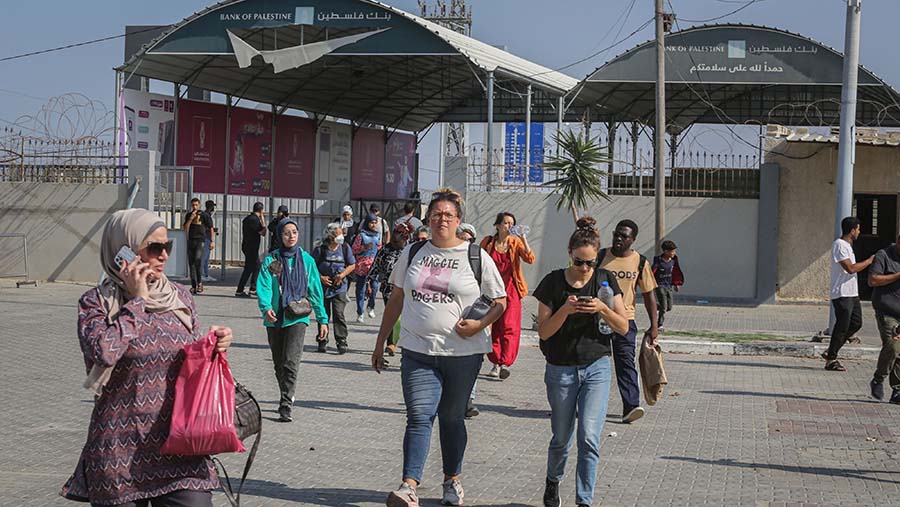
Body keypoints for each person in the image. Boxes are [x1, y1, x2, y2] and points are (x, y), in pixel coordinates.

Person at [62, 208, 233, 507]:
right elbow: (104, 351)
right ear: (122, 250)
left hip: (180, 447)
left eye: (167, 246)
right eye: (154, 248)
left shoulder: (180, 297)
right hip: (120, 455)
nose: (164, 255)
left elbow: (187, 363)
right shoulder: (95, 303)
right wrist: (137, 302)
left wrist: (215, 344)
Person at [371, 189, 507, 507]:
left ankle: (451, 480)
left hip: (463, 354)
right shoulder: (415, 251)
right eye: (436, 214)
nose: (442, 219)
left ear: (458, 220)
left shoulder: (476, 256)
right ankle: (409, 486)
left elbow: (500, 301)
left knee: (451, 417)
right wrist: (380, 342)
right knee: (419, 416)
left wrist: (478, 324)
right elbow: (396, 298)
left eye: (448, 215)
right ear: (428, 218)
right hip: (417, 351)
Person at [533, 216, 628, 507]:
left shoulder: (605, 281)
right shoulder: (552, 282)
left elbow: (623, 327)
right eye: (579, 262)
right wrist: (565, 309)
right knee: (562, 437)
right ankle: (553, 481)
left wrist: (601, 307)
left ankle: (584, 500)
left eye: (590, 263)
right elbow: (545, 332)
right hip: (561, 368)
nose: (585, 269)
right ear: (569, 254)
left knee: (589, 436)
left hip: (596, 366)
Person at [257, 218, 329, 422]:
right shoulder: (271, 260)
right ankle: (286, 392)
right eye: (287, 232)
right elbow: (263, 286)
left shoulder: (307, 261)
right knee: (279, 363)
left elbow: (315, 290)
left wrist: (322, 319)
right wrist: (266, 308)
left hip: (298, 317)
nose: (291, 236)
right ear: (280, 235)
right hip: (275, 318)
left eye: (294, 232)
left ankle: (285, 403)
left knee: (290, 361)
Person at [599, 219, 658, 424]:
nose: (619, 239)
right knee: (592, 362)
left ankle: (631, 407)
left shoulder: (640, 262)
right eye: (617, 234)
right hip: (598, 319)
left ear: (632, 240)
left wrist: (654, 325)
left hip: (625, 320)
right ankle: (585, 405)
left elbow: (649, 295)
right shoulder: (600, 257)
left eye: (624, 236)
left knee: (625, 362)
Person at [480, 212, 535, 380]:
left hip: (511, 290)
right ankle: (495, 362)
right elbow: (479, 261)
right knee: (493, 326)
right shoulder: (488, 242)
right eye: (506, 223)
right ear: (498, 225)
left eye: (512, 223)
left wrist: (524, 239)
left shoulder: (515, 242)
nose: (509, 226)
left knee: (509, 326)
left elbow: (530, 259)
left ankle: (505, 363)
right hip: (492, 290)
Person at [824, 216, 874, 372]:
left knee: (856, 323)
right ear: (852, 230)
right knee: (842, 326)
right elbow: (850, 268)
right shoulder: (839, 245)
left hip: (852, 292)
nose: (859, 232)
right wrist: (870, 261)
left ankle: (832, 349)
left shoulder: (848, 245)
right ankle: (831, 358)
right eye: (858, 229)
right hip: (842, 293)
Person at [367, 221, 416, 356]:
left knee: (404, 317)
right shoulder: (385, 250)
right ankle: (391, 343)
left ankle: (405, 342)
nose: (395, 244)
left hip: (408, 290)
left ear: (405, 240)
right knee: (393, 316)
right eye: (393, 241)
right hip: (389, 289)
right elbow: (375, 266)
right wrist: (369, 282)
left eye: (397, 242)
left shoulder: (411, 251)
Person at [312, 223, 356, 354]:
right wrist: (321, 277)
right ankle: (322, 340)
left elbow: (352, 265)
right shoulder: (320, 249)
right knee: (323, 314)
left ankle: (341, 341)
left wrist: (342, 275)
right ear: (330, 235)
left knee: (339, 314)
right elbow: (311, 266)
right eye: (338, 234)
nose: (340, 236)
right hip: (323, 288)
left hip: (339, 287)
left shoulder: (344, 248)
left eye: (341, 233)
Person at [868, 235, 900, 402]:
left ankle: (897, 391)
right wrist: (897, 275)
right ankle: (878, 379)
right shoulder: (884, 255)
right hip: (887, 311)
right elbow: (873, 280)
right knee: (893, 346)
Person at [352, 214, 383, 323]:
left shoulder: (377, 235)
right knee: (361, 290)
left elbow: (379, 248)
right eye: (371, 222)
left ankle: (371, 306)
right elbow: (354, 249)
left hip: (373, 265)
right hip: (362, 265)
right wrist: (364, 248)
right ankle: (360, 312)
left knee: (374, 287)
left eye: (375, 223)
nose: (373, 225)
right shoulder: (361, 235)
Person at [182, 197, 214, 294]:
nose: (194, 207)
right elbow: (185, 227)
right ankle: (193, 285)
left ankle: (200, 282)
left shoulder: (204, 215)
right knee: (191, 263)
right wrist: (191, 219)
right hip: (191, 240)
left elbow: (211, 228)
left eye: (196, 205)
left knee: (197, 260)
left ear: (199, 205)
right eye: (193, 205)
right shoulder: (188, 215)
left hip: (200, 240)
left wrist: (212, 241)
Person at [652, 240, 684, 332]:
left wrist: (676, 283)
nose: (674, 253)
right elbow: (652, 272)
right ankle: (659, 325)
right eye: (672, 251)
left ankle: (654, 306)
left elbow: (676, 272)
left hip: (668, 285)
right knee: (664, 307)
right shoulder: (658, 260)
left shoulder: (674, 261)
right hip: (660, 285)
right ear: (666, 251)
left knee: (669, 307)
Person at [237, 202, 267, 297]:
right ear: (261, 210)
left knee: (255, 266)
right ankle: (242, 289)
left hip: (247, 246)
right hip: (251, 247)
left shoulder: (247, 219)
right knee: (250, 268)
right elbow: (263, 232)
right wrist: (263, 220)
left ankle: (252, 288)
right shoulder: (255, 220)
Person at [201, 199, 218, 282]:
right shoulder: (207, 216)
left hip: (205, 237)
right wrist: (212, 240)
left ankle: (206, 274)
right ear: (211, 207)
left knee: (206, 258)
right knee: (204, 258)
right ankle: (202, 275)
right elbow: (211, 228)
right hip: (206, 238)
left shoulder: (204, 215)